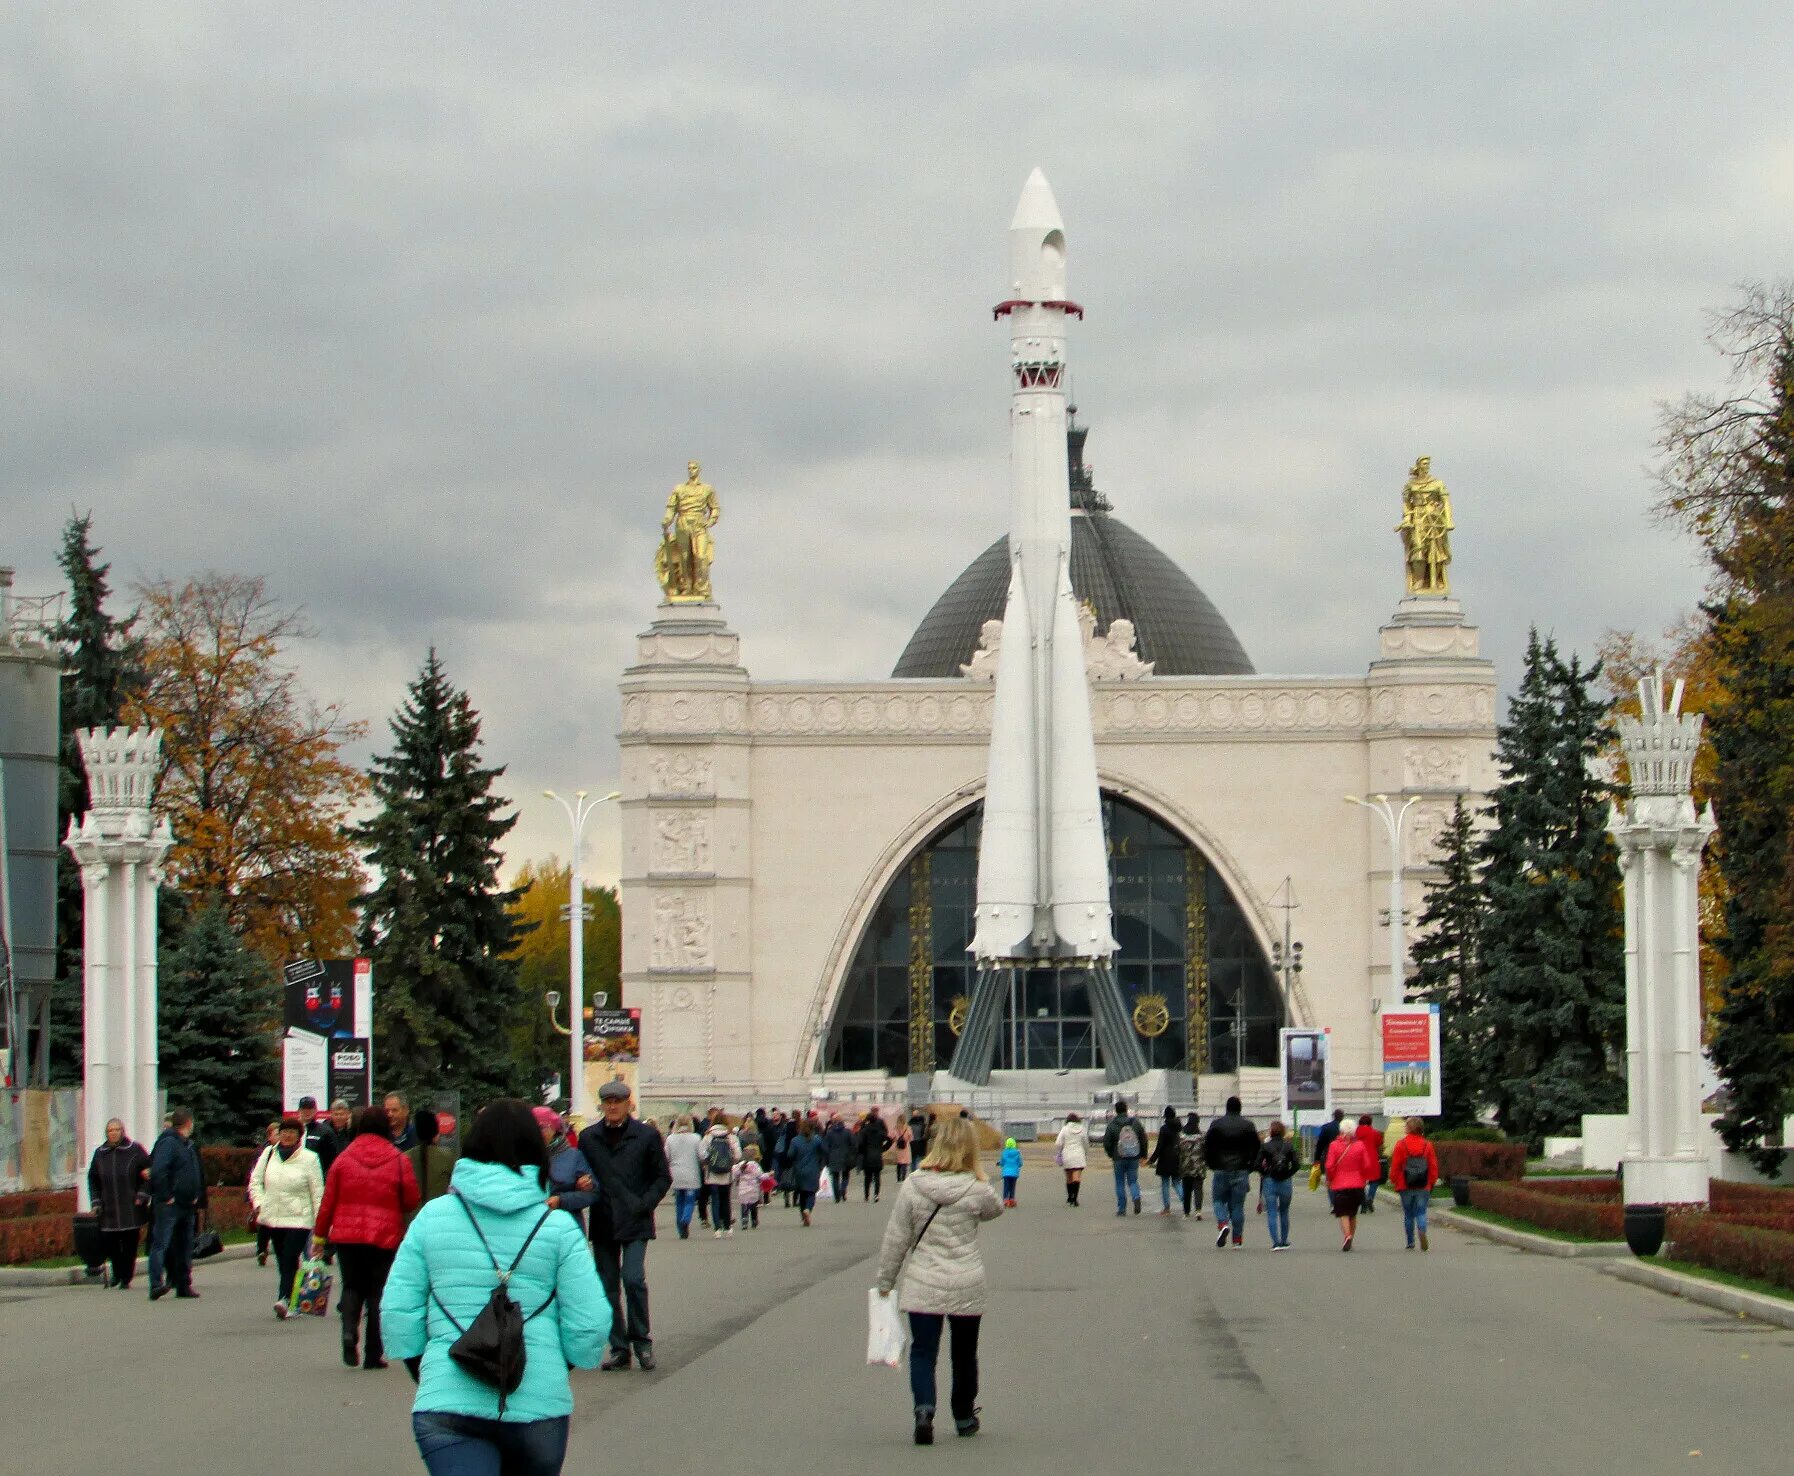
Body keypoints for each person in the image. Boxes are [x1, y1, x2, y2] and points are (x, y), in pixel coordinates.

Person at [384, 1099, 611, 1475]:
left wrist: (425, 1369)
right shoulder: (558, 1229)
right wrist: (557, 1365)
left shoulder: (431, 1219)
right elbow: (589, 1320)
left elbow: (397, 1308)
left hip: (447, 1402)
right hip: (537, 1408)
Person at [876, 1114, 1004, 1446]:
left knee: (922, 1351)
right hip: (966, 1280)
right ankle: (963, 1415)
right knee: (964, 1354)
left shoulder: (912, 1186)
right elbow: (995, 1209)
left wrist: (886, 1281)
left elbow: (897, 1239)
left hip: (924, 1280)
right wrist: (974, 1175)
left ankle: (923, 1410)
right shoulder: (977, 1189)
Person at [314, 1105, 420, 1367]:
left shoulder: (343, 1159)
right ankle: (374, 1354)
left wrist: (318, 1238)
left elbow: (328, 1202)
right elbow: (410, 1199)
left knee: (351, 1286)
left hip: (347, 1235)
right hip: (385, 1235)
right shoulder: (398, 1159)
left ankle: (349, 1332)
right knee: (377, 1293)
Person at [576, 1080, 672, 1371]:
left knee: (632, 1279)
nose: (613, 1107)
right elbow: (580, 1173)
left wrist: (645, 1204)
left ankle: (642, 1342)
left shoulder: (646, 1136)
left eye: (618, 1101)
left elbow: (662, 1177)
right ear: (602, 1105)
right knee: (607, 1288)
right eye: (608, 1102)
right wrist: (581, 1183)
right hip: (604, 1219)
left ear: (628, 1104)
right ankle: (619, 1349)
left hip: (635, 1219)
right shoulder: (589, 1137)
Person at [249, 1116, 326, 1318]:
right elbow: (255, 1182)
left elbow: (317, 1192)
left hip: (299, 1218)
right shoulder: (268, 1154)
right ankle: (293, 1298)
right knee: (284, 1260)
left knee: (291, 1256)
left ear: (299, 1136)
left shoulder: (309, 1159)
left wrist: (321, 1224)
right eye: (284, 1132)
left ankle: (284, 1299)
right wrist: (259, 1203)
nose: (287, 1135)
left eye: (292, 1132)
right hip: (273, 1216)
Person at [147, 1107, 203, 1301]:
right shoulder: (168, 1143)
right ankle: (155, 1284)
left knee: (185, 1245)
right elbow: (158, 1171)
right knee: (161, 1243)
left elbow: (193, 1171)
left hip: (187, 1204)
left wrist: (195, 1194)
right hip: (170, 1205)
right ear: (188, 1123)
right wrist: (166, 1195)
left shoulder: (187, 1144)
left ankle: (183, 1284)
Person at [88, 1117, 150, 1289]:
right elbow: (93, 1179)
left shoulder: (135, 1150)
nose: (113, 1133)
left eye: (116, 1130)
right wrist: (96, 1201)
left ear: (122, 1131)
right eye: (110, 1130)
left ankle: (126, 1277)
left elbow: (149, 1174)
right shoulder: (100, 1153)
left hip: (131, 1207)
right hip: (108, 1209)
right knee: (111, 1243)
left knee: (130, 1245)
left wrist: (143, 1194)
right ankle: (117, 1273)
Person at [1202, 1096, 1262, 1248]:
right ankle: (1237, 1240)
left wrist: (1211, 1163)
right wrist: (1252, 1166)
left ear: (1226, 1108)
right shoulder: (1248, 1126)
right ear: (1240, 1108)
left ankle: (1223, 1223)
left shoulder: (1216, 1125)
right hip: (1241, 1169)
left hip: (1221, 1168)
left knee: (1218, 1200)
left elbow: (1207, 1146)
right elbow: (1256, 1147)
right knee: (1237, 1205)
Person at [536, 1107, 597, 1233]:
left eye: (541, 1127)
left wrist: (561, 1200)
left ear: (555, 1129)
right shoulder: (521, 1157)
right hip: (532, 1228)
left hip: (567, 1228)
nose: (536, 1132)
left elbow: (593, 1193)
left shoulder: (573, 1156)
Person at [1388, 1117, 1441, 1251]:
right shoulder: (1427, 1145)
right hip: (1423, 1185)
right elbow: (1433, 1166)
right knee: (1421, 1212)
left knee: (1409, 1214)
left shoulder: (1401, 1144)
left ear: (1409, 1128)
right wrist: (1431, 1181)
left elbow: (1395, 1167)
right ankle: (1422, 1230)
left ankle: (1410, 1241)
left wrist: (1395, 1180)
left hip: (1405, 1184)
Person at [1324, 1118, 1376, 1251]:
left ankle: (1347, 1235)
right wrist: (1363, 1177)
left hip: (1339, 1184)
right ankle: (1351, 1236)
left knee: (1343, 1213)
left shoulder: (1334, 1145)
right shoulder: (1360, 1145)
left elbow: (1329, 1165)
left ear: (1341, 1130)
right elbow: (1367, 1164)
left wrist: (1330, 1179)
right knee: (1353, 1213)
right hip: (1357, 1184)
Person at [1255, 1120, 1300, 1251]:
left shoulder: (1265, 1146)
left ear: (1271, 1131)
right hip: (1285, 1181)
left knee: (1272, 1212)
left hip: (1270, 1180)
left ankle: (1276, 1242)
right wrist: (1289, 1173)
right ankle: (1285, 1240)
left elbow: (1257, 1164)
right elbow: (1297, 1164)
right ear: (1283, 1131)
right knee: (1284, 1211)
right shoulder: (1289, 1146)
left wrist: (1266, 1173)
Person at [1102, 1099, 1147, 1216]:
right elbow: (1143, 1139)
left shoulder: (1112, 1124)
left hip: (1118, 1158)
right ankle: (1136, 1196)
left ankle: (1122, 1209)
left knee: (1120, 1182)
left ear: (1116, 1111)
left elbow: (1106, 1142)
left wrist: (1111, 1154)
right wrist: (1143, 1155)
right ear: (1126, 1110)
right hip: (1133, 1156)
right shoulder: (1135, 1123)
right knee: (1133, 1181)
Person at [700, 1116, 741, 1237]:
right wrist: (730, 1160)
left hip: (712, 1173)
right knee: (725, 1199)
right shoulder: (731, 1136)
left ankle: (717, 1229)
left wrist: (709, 1161)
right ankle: (728, 1227)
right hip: (726, 1173)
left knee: (715, 1200)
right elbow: (738, 1155)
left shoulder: (708, 1136)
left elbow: (702, 1154)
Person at [664, 1115, 703, 1239]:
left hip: (675, 1173)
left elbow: (666, 1157)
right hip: (691, 1174)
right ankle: (685, 1220)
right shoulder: (696, 1138)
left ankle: (681, 1229)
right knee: (690, 1200)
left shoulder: (670, 1139)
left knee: (679, 1201)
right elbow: (702, 1155)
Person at [408, 1108, 456, 1209]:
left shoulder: (404, 1158)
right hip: (439, 1214)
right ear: (436, 1132)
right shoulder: (447, 1156)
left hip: (412, 1219)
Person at [785, 1116, 826, 1226]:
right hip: (813, 1170)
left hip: (799, 1170)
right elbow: (824, 1151)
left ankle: (803, 1215)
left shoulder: (795, 1140)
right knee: (811, 1193)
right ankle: (807, 1209)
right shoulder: (816, 1139)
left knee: (802, 1193)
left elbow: (790, 1155)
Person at [252, 1120, 280, 1266]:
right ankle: (262, 1249)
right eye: (276, 1134)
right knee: (264, 1224)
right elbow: (255, 1176)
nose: (280, 1137)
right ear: (269, 1137)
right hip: (266, 1193)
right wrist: (257, 1200)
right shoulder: (266, 1152)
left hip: (280, 1196)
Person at [1148, 1107, 1182, 1216]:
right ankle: (1186, 1202)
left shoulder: (1164, 1129)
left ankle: (1167, 1208)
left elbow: (1159, 1147)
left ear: (1165, 1116)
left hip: (1165, 1159)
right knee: (1177, 1182)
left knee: (1165, 1184)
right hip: (1177, 1157)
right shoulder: (1179, 1127)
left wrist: (1151, 1160)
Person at [297, 1096, 339, 1175]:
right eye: (304, 1109)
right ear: (299, 1111)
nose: (307, 1112)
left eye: (310, 1109)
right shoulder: (293, 1130)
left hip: (318, 1175)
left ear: (316, 1110)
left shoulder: (326, 1131)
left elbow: (333, 1159)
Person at [1053, 1112, 1088, 1206]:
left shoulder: (1064, 1129)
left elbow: (1058, 1143)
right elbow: (1086, 1143)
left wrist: (1060, 1151)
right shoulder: (1082, 1129)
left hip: (1067, 1154)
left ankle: (1070, 1197)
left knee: (1069, 1177)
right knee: (1076, 1177)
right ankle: (1075, 1199)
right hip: (1079, 1155)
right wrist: (1085, 1152)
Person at [1356, 1115, 1387, 1214]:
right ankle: (1370, 1198)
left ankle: (1363, 1203)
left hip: (1359, 1159)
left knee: (1360, 1183)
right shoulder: (1375, 1133)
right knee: (1374, 1181)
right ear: (1370, 1122)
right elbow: (1380, 1142)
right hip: (1372, 1159)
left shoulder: (1355, 1133)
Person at [1177, 1112, 1206, 1220]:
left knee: (1186, 1189)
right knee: (1198, 1189)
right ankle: (1198, 1211)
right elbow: (1206, 1151)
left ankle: (1186, 1212)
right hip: (1198, 1166)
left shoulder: (1181, 1136)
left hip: (1185, 1166)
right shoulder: (1201, 1136)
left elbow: (1177, 1150)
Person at [858, 1110, 892, 1202]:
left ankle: (866, 1195)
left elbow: (860, 1143)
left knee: (867, 1177)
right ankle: (876, 1194)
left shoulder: (864, 1131)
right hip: (877, 1156)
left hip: (867, 1156)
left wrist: (862, 1151)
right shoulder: (880, 1132)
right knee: (877, 1176)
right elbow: (889, 1139)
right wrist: (883, 1148)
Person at [823, 1116, 855, 1204]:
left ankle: (837, 1196)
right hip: (845, 1156)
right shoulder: (847, 1132)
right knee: (845, 1175)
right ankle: (843, 1188)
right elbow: (853, 1144)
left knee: (835, 1177)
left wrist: (827, 1156)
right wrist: (851, 1155)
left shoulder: (829, 1133)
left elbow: (825, 1147)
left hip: (833, 1156)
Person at [732, 1144, 764, 1230]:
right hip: (753, 1189)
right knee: (753, 1206)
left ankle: (744, 1220)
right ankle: (754, 1220)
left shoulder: (741, 1165)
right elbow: (760, 1176)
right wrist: (769, 1175)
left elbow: (734, 1173)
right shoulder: (755, 1165)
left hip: (743, 1189)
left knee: (744, 1205)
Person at [998, 1137, 1022, 1208]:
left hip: (1006, 1173)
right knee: (1012, 1187)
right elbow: (1020, 1163)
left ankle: (1005, 1200)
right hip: (1014, 1173)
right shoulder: (1017, 1153)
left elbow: (1002, 1163)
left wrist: (1000, 1163)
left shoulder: (1004, 1153)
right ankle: (1012, 1199)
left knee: (1006, 1186)